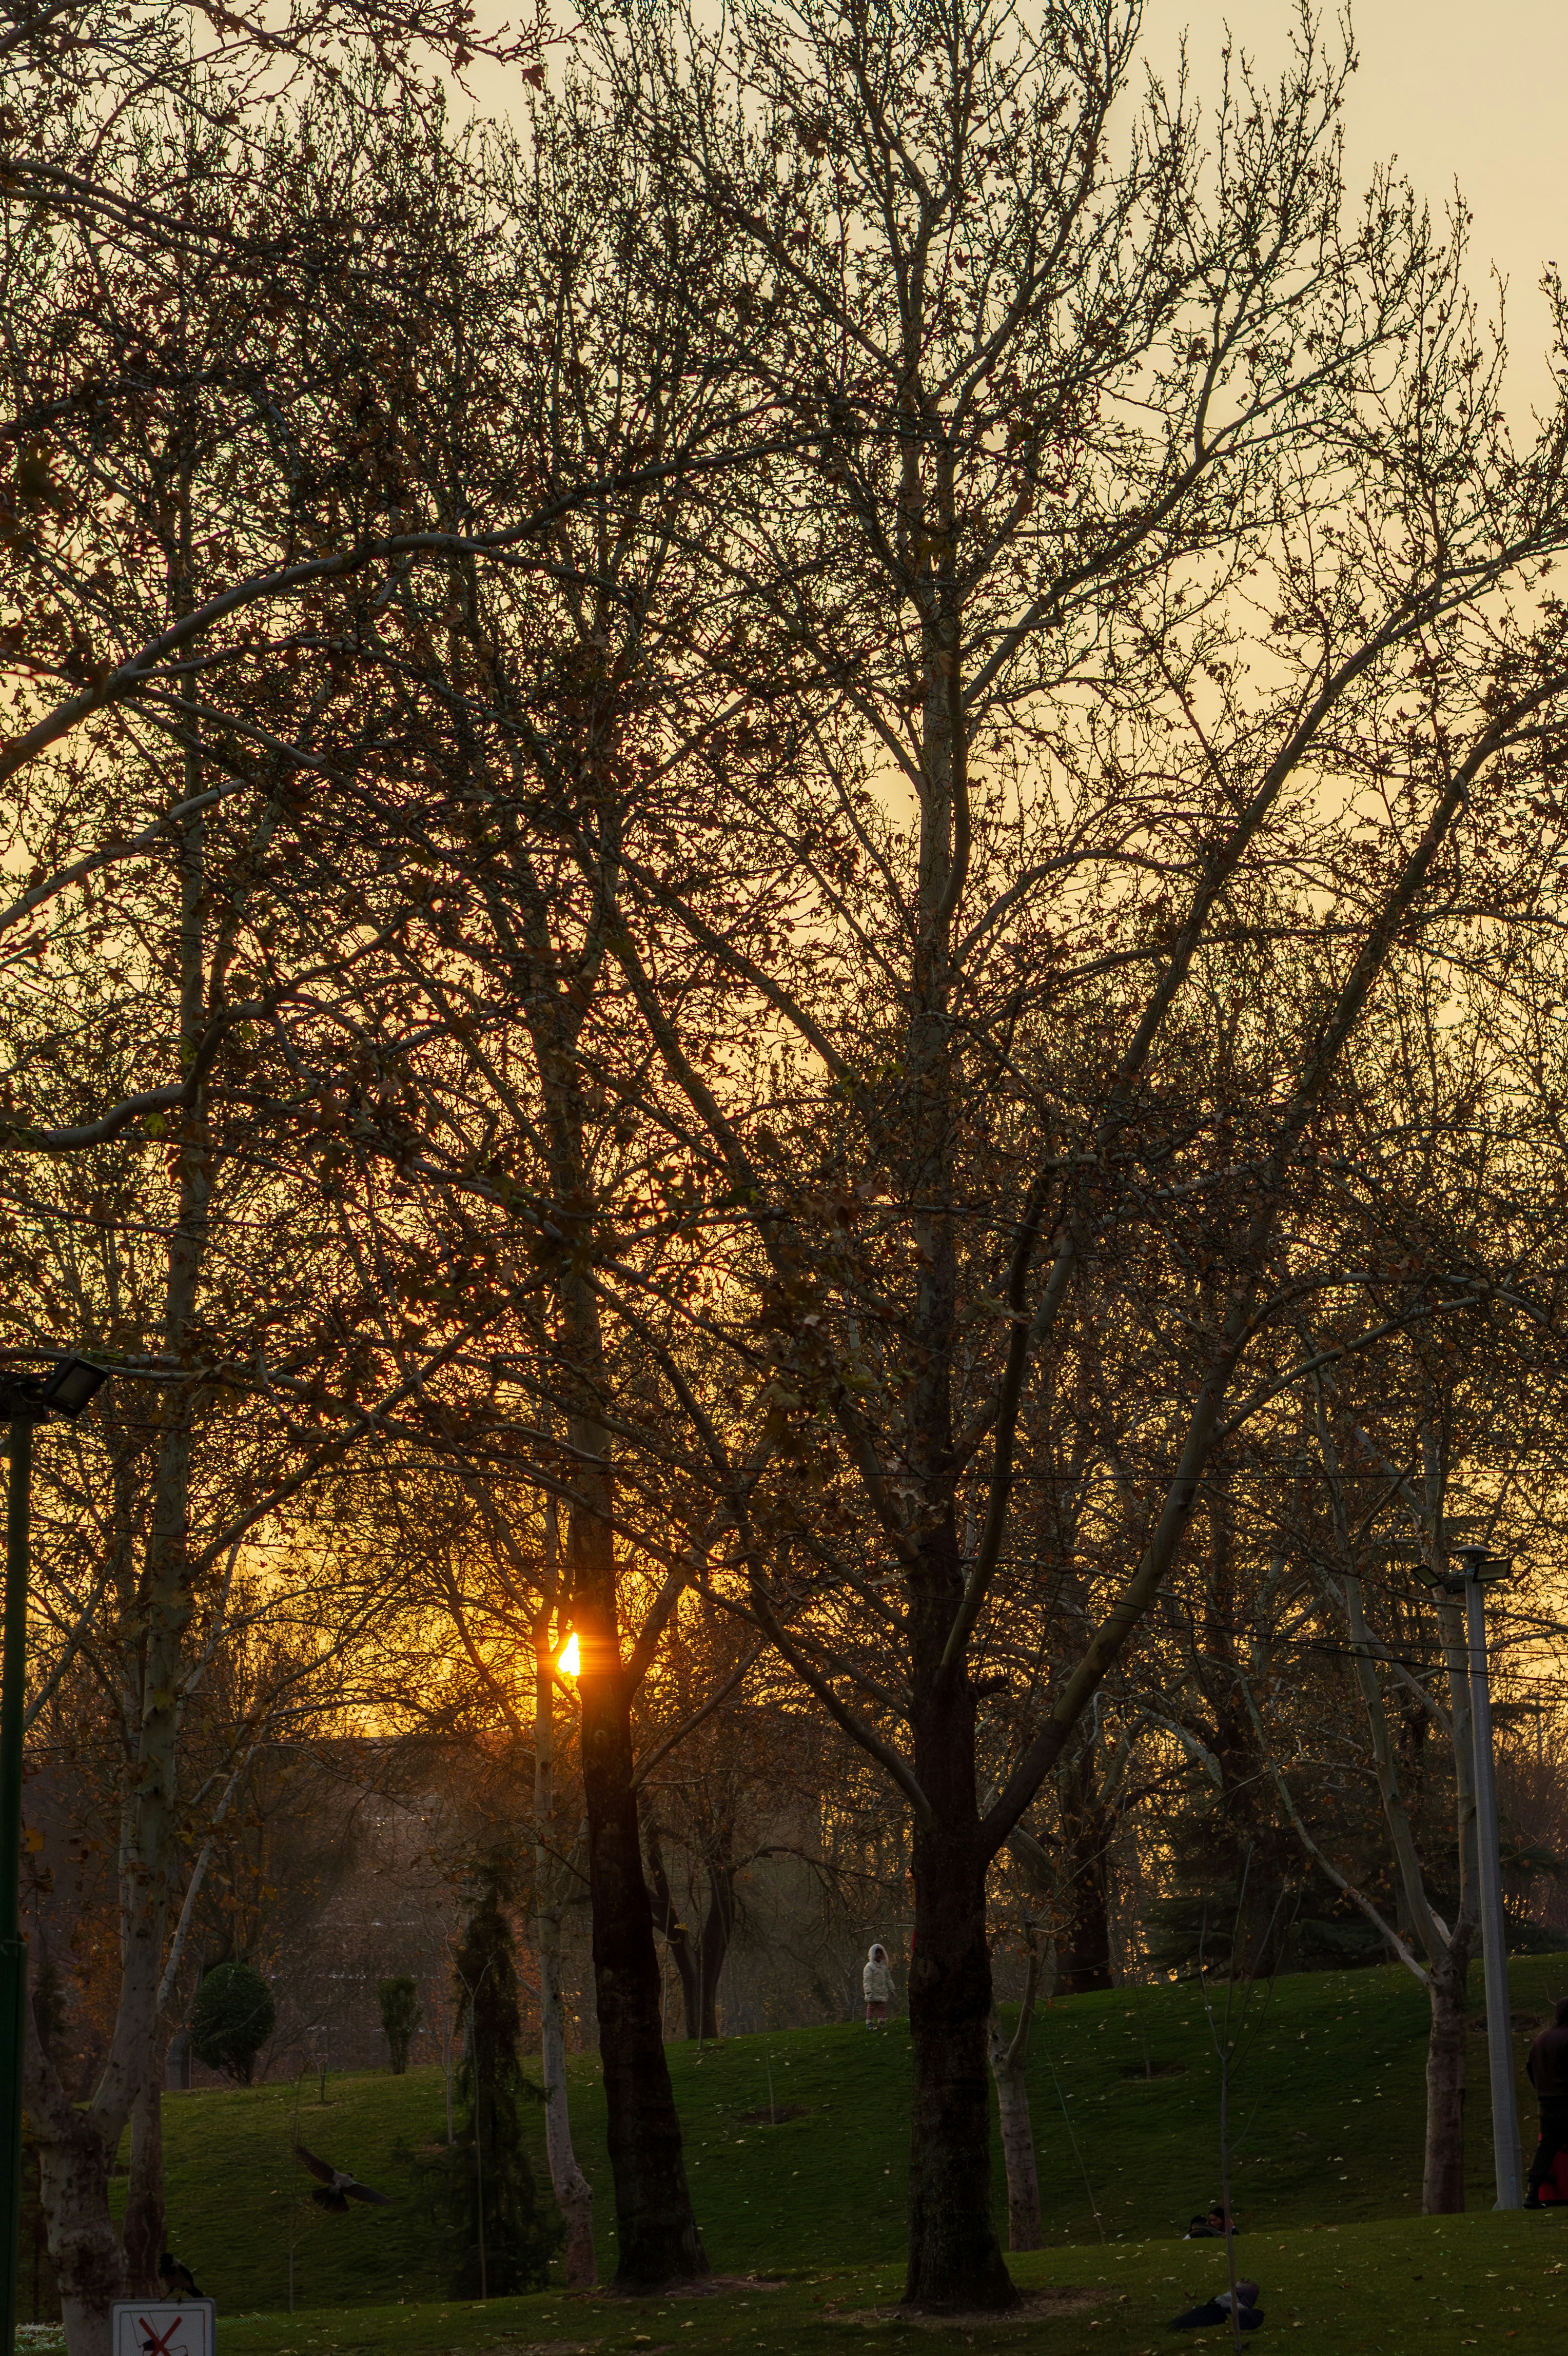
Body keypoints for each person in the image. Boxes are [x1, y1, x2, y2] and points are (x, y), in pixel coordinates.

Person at [1525, 1995, 1568, 2207]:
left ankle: (1532, 2195)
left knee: (1547, 2148)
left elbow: (1531, 2068)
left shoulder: (1541, 2039)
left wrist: (1542, 2089)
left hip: (1547, 2102)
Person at [863, 1942, 894, 2027]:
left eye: (880, 1953)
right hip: (873, 1993)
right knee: (871, 2008)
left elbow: (888, 1978)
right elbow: (867, 1980)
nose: (879, 1955)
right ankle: (869, 2023)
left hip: (882, 1992)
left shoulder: (883, 1967)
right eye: (877, 1953)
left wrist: (892, 1989)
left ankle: (882, 2022)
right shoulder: (870, 1966)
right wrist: (869, 1992)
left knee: (882, 2008)